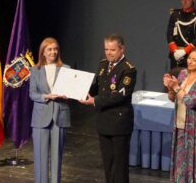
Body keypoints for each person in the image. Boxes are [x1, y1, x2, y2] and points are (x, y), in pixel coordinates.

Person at [80, 34, 137, 183]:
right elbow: (97, 86)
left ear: (121, 49)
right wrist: (80, 91)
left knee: (119, 166)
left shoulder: (128, 69)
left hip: (119, 123)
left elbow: (119, 96)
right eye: (106, 49)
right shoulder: (103, 64)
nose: (109, 53)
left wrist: (94, 101)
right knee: (108, 164)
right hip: (104, 121)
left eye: (112, 50)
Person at [163, 47, 196, 182]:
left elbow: (191, 102)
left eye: (194, 60)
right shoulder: (183, 74)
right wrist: (170, 87)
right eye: (189, 58)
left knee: (193, 165)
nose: (189, 61)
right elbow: (173, 98)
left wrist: (176, 87)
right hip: (180, 126)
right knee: (180, 164)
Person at [29, 37, 71, 183]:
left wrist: (70, 94)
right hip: (41, 116)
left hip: (59, 115)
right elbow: (32, 94)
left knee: (57, 157)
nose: (53, 52)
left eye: (55, 49)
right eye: (49, 49)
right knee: (40, 156)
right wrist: (46, 96)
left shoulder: (66, 69)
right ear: (43, 53)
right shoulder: (35, 70)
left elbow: (71, 91)